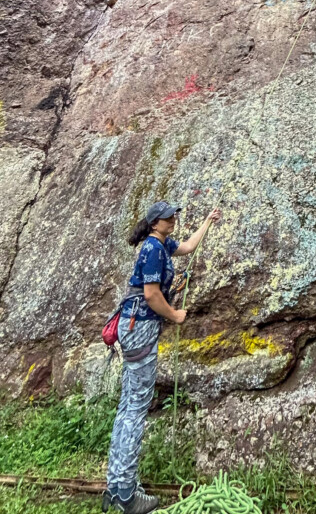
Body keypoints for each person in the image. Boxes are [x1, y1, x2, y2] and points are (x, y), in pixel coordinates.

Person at [104, 200, 221, 514]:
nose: (174, 219)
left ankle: (116, 485)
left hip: (134, 326)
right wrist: (174, 315)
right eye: (168, 216)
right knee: (135, 409)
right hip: (140, 328)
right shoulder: (153, 250)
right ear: (156, 223)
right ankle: (126, 494)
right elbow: (151, 294)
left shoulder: (162, 244)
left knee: (128, 406)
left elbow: (188, 246)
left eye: (174, 215)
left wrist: (208, 220)